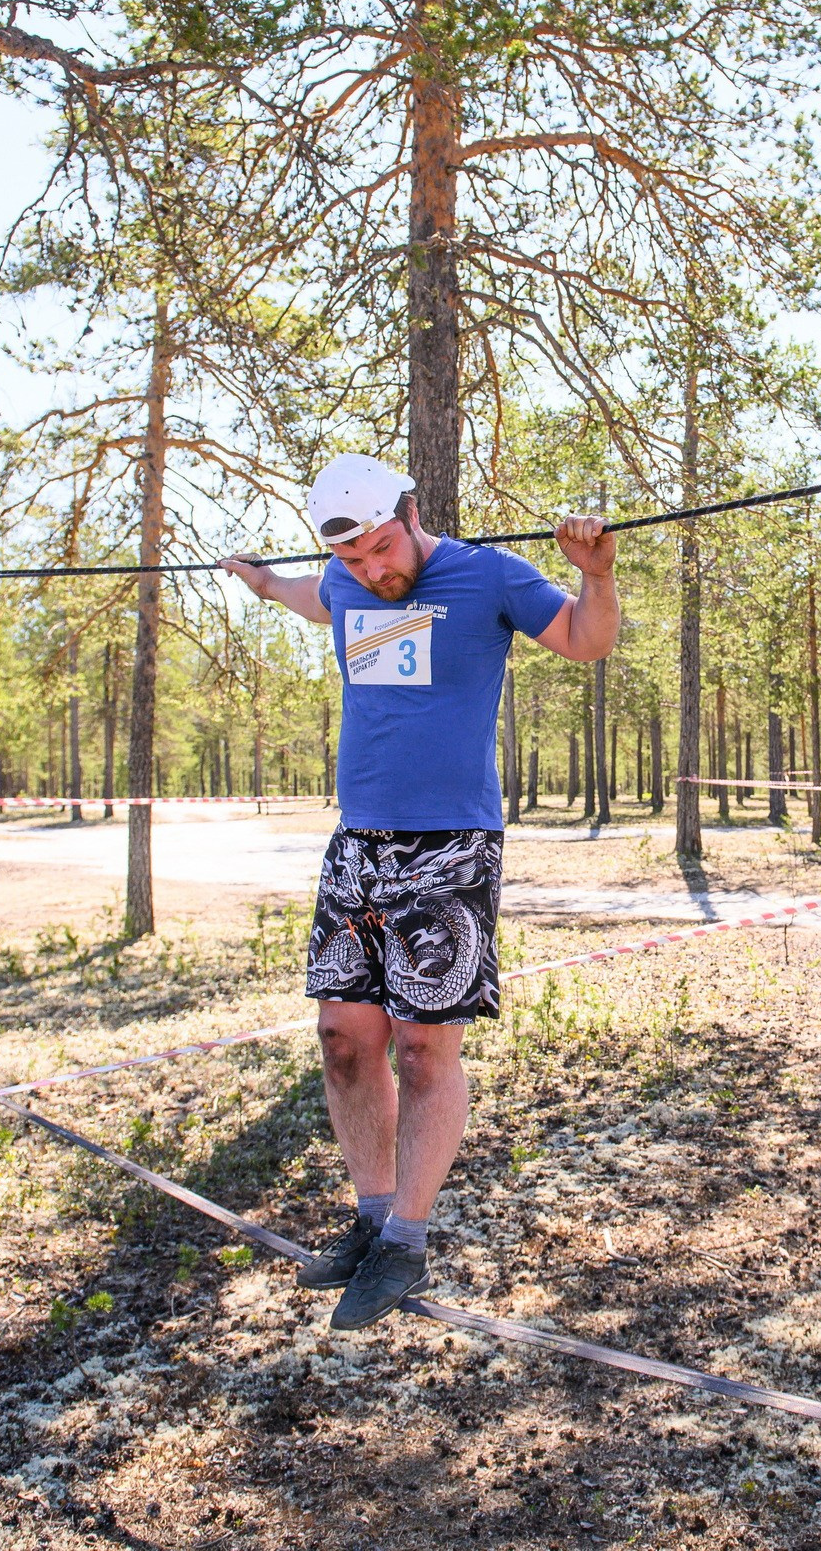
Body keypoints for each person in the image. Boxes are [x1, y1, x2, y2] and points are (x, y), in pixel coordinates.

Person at [221, 455, 618, 1329]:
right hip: (355, 842)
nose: (371, 570)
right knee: (342, 1039)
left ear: (411, 509)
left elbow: (587, 642)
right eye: (353, 559)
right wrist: (257, 581)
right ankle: (369, 1219)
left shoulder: (490, 575)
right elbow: (305, 594)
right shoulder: (342, 580)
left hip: (449, 847)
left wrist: (595, 576)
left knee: (423, 1051)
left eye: (381, 548)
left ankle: (406, 1239)